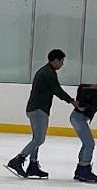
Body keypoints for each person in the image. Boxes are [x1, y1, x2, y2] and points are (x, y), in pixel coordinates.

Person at [7, 50, 73, 179]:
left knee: (36, 139)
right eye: (62, 61)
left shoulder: (46, 71)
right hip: (39, 109)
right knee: (39, 139)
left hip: (36, 108)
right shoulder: (48, 73)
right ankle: (18, 159)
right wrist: (71, 101)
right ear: (55, 60)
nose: (62, 64)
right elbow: (57, 90)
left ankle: (33, 165)